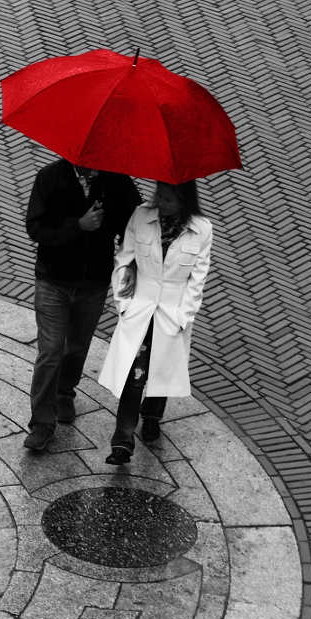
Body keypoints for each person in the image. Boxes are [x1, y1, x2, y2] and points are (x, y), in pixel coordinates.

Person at [23, 157, 142, 452]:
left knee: (77, 347)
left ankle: (65, 391)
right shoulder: (49, 178)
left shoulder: (117, 182)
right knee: (50, 351)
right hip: (53, 280)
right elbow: (36, 229)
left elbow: (134, 229)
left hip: (93, 283)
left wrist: (130, 261)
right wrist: (78, 226)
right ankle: (41, 424)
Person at [98, 180, 212, 465]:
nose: (161, 202)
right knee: (133, 375)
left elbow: (197, 279)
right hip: (139, 307)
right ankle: (122, 442)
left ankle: (152, 415)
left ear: (184, 201)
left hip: (172, 312)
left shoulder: (202, 229)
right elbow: (124, 259)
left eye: (169, 199)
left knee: (161, 370)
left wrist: (183, 317)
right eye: (159, 195)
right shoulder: (141, 216)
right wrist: (124, 304)